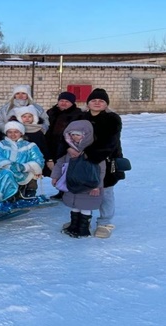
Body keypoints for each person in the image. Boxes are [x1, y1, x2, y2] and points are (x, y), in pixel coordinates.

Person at [75, 88, 123, 238]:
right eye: (93, 100)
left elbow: (109, 143)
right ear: (88, 103)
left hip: (107, 161)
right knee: (83, 190)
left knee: (106, 191)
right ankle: (84, 220)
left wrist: (90, 155)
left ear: (106, 104)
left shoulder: (112, 119)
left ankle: (104, 222)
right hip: (81, 160)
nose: (97, 103)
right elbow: (70, 135)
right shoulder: (81, 117)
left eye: (101, 101)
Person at [51, 120, 105, 238]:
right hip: (72, 182)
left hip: (88, 184)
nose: (75, 137)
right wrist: (55, 176)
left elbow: (101, 170)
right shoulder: (69, 150)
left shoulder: (94, 151)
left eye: (78, 134)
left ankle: (83, 228)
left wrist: (97, 185)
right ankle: (74, 225)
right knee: (74, 204)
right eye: (72, 134)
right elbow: (60, 163)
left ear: (86, 136)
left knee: (85, 205)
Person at [0, 120, 44, 201]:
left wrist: (24, 167)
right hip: (1, 168)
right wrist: (8, 166)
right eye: (10, 132)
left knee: (8, 174)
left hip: (23, 171)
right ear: (6, 133)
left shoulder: (30, 146)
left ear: (21, 133)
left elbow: (38, 160)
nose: (13, 135)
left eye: (16, 132)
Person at [45, 92, 83, 199]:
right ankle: (61, 190)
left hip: (68, 145)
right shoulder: (51, 112)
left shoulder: (78, 114)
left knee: (68, 169)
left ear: (72, 103)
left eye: (67, 101)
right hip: (52, 144)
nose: (64, 103)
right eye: (62, 101)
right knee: (57, 169)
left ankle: (70, 192)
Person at [13, 104, 50, 196]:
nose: (27, 118)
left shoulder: (38, 131)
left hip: (34, 159)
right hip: (19, 159)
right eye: (24, 116)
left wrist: (49, 158)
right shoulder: (15, 130)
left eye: (30, 116)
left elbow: (44, 146)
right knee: (18, 176)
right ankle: (17, 192)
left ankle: (31, 192)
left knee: (32, 177)